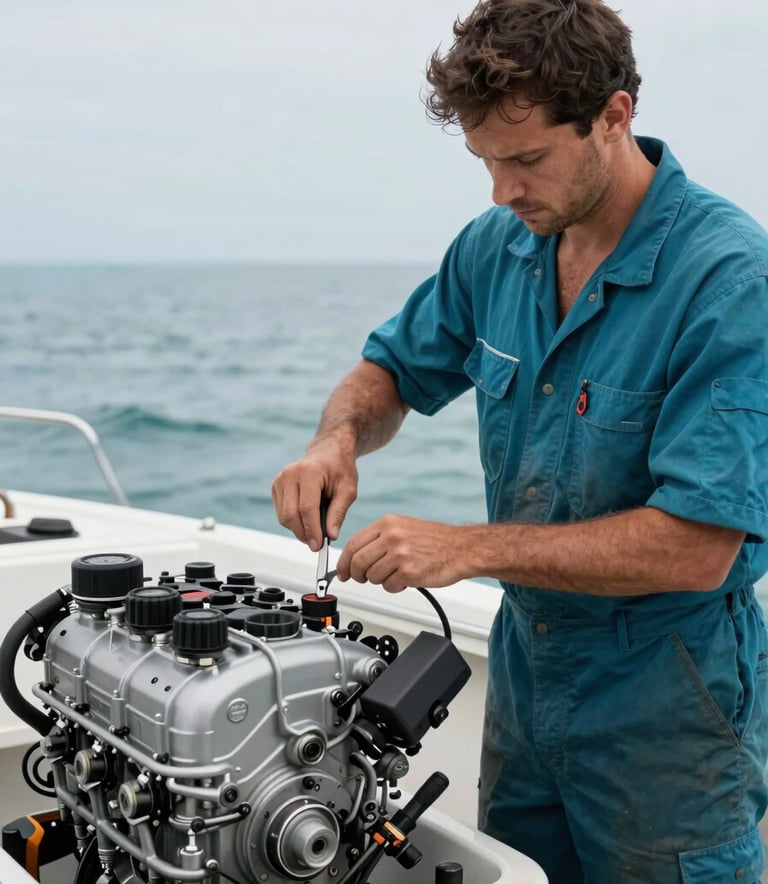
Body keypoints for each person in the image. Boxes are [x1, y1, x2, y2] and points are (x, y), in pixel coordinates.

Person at [271, 0, 768, 880]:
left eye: (527, 158)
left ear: (614, 116)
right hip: (525, 684)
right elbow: (388, 372)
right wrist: (335, 440)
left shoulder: (729, 279)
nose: (503, 191)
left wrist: (463, 548)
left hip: (668, 712)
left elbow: (700, 545)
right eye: (486, 162)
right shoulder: (498, 246)